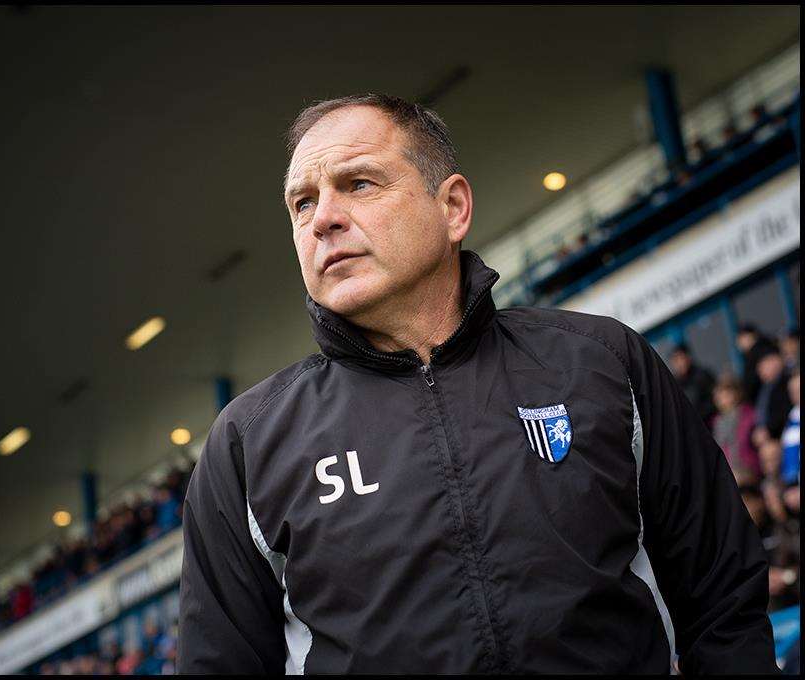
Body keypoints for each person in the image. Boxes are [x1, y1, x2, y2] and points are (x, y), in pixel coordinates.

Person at [177, 94, 776, 674]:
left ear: (453, 208)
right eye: (301, 204)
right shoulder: (248, 445)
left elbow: (721, 595)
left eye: (358, 184)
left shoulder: (602, 362)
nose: (324, 219)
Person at [712, 374, 761, 484]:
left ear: (736, 394)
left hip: (747, 467)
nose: (722, 399)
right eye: (719, 396)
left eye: (726, 395)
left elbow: (746, 443)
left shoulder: (748, 415)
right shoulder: (717, 421)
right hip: (728, 470)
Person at [669, 343, 717, 424]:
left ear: (688, 357)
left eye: (680, 358)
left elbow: (714, 400)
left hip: (709, 423)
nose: (679, 364)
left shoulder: (703, 376)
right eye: (675, 360)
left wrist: (697, 415)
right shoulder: (674, 384)